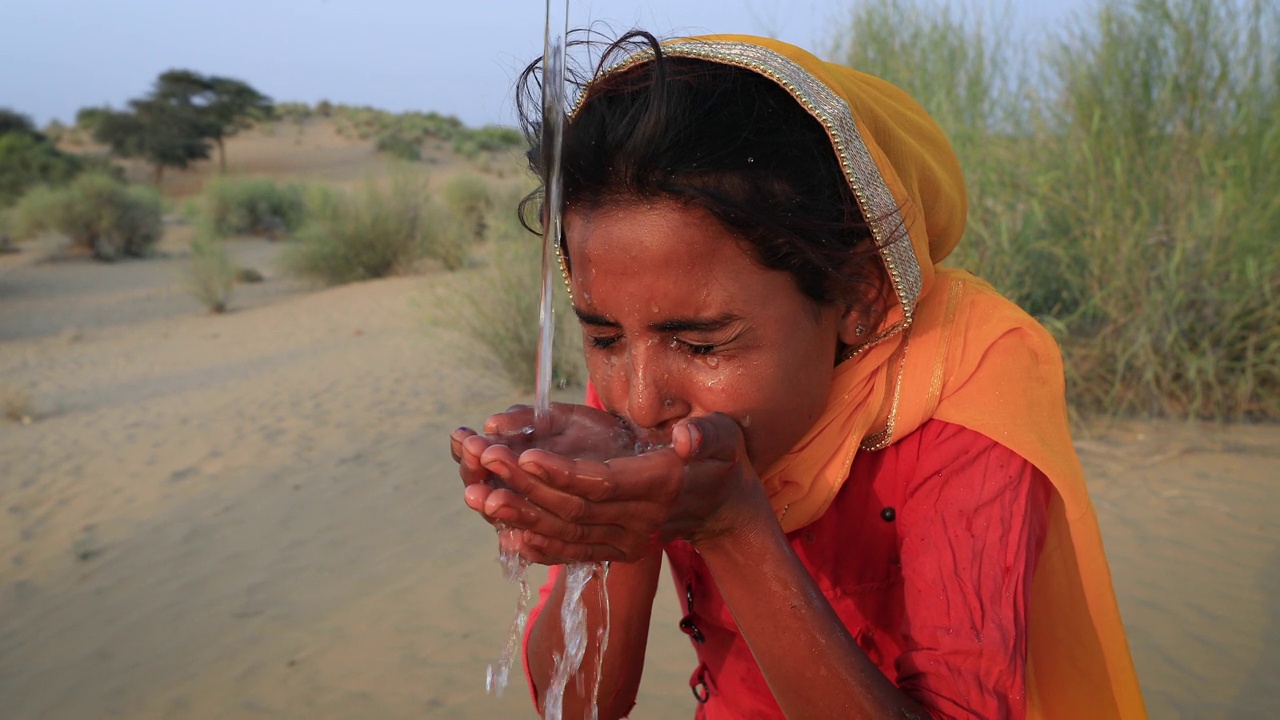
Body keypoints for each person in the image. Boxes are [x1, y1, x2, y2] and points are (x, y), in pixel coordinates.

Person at [450, 31, 1146, 719]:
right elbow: (581, 707)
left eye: (699, 346)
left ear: (859, 298)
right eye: (602, 336)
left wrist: (729, 525)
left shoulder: (962, 394)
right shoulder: (652, 392)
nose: (638, 400)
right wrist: (613, 522)